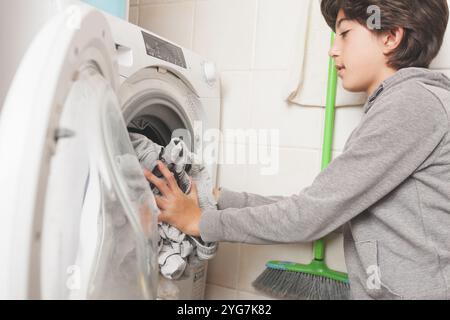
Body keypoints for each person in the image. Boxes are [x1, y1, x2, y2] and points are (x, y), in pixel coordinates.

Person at [144, 0, 450, 300]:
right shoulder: (405, 105)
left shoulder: (410, 105)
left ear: (390, 36)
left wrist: (201, 222)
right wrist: (221, 199)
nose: (333, 49)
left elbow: (309, 215)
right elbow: (322, 206)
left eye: (344, 33)